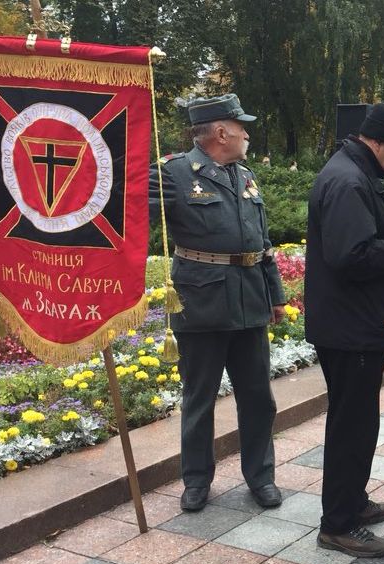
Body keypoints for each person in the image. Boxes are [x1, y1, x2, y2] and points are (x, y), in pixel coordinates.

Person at [148, 94, 286, 512]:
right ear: (221, 132)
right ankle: (195, 481)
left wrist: (275, 295)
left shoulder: (244, 176)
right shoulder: (171, 174)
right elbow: (131, 221)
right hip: (201, 303)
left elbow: (262, 244)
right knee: (199, 398)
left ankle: (260, 476)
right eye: (241, 126)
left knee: (258, 397)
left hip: (248, 302)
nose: (247, 132)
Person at [305, 102, 384, 558]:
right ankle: (337, 524)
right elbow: (351, 254)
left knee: (357, 420)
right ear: (376, 141)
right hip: (350, 327)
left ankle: (352, 502)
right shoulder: (348, 181)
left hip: (352, 322)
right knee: (351, 426)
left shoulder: (355, 173)